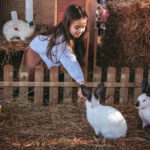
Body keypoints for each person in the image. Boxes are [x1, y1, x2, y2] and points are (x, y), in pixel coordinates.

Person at [19, 4, 88, 101]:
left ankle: (46, 93)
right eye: (77, 27)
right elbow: (70, 61)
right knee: (41, 76)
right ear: (67, 24)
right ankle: (42, 95)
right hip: (36, 54)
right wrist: (81, 84)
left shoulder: (69, 34)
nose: (81, 30)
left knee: (59, 67)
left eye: (83, 26)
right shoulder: (61, 40)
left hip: (47, 53)